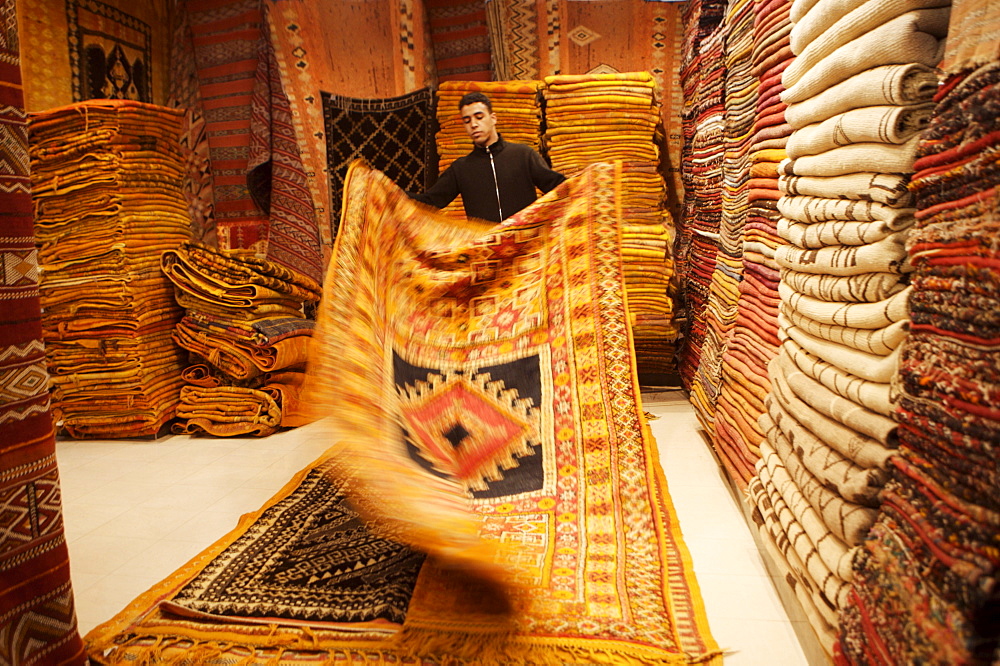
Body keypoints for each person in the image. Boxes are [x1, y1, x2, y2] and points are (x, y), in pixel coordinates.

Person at [410, 92, 565, 223]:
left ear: (493, 118)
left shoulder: (523, 155)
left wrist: (587, 180)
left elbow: (558, 187)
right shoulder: (461, 169)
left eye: (479, 117)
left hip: (525, 249)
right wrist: (389, 191)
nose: (474, 125)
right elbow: (430, 203)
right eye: (467, 120)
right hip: (485, 252)